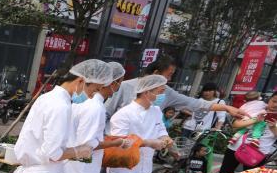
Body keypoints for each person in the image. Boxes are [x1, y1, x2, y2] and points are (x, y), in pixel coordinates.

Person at [9, 65, 95, 173]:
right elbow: (52, 153)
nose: (91, 96)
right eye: (94, 90)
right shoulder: (60, 106)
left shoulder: (48, 97)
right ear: (81, 81)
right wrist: (77, 152)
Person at [57, 60, 130, 173]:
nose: (118, 88)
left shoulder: (79, 104)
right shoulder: (96, 108)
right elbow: (89, 143)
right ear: (111, 82)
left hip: (69, 169)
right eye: (119, 82)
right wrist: (117, 143)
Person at [105, 54, 246, 121]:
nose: (170, 79)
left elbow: (196, 103)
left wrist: (226, 108)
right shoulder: (125, 87)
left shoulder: (164, 96)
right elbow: (107, 113)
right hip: (115, 147)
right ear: (156, 73)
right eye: (169, 74)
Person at [102, 75, 176, 173]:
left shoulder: (156, 111)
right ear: (147, 92)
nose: (163, 95)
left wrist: (166, 138)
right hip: (123, 171)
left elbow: (160, 129)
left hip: (145, 171)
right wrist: (148, 143)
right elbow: (119, 142)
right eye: (160, 92)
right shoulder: (124, 114)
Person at [218, 93, 277, 173]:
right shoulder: (257, 108)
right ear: (269, 99)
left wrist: (273, 127)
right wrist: (255, 120)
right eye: (274, 101)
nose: (275, 105)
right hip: (236, 147)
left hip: (258, 153)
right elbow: (235, 125)